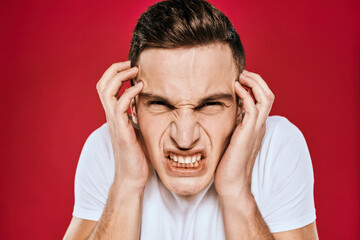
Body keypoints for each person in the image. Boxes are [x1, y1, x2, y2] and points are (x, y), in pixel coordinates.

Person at [64, 0, 318, 239]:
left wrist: (236, 192)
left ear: (242, 106)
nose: (184, 138)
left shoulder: (277, 145)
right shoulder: (107, 147)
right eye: (161, 104)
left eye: (210, 104)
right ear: (133, 108)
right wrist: (126, 184)